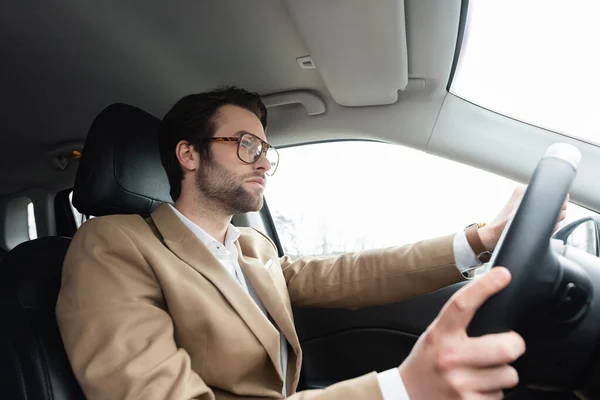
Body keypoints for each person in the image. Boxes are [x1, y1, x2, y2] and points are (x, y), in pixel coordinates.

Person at [56, 86, 567, 400]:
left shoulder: (250, 248)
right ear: (188, 155)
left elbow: (353, 273)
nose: (263, 161)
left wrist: (479, 240)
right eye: (247, 145)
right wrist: (400, 389)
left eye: (267, 150)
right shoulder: (113, 246)